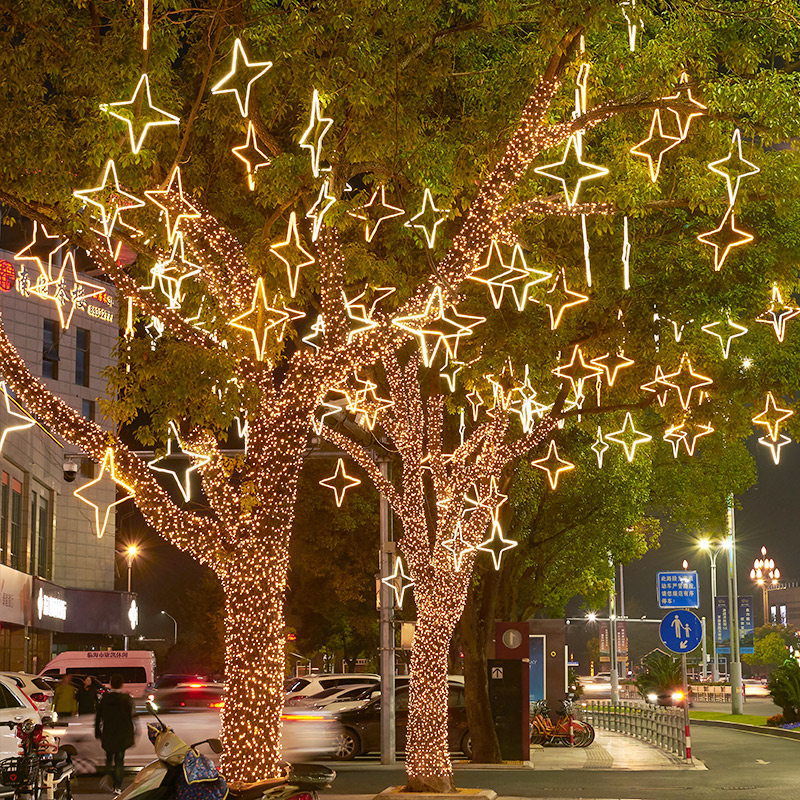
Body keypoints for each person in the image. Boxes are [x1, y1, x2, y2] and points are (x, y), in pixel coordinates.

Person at [95, 674, 135, 796]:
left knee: (108, 757)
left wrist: (97, 731)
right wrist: (133, 732)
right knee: (119, 760)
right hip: (122, 734)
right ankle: (117, 787)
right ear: (121, 684)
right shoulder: (126, 699)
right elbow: (131, 717)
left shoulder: (105, 699)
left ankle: (108, 774)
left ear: (110, 684)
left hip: (108, 732)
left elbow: (98, 718)